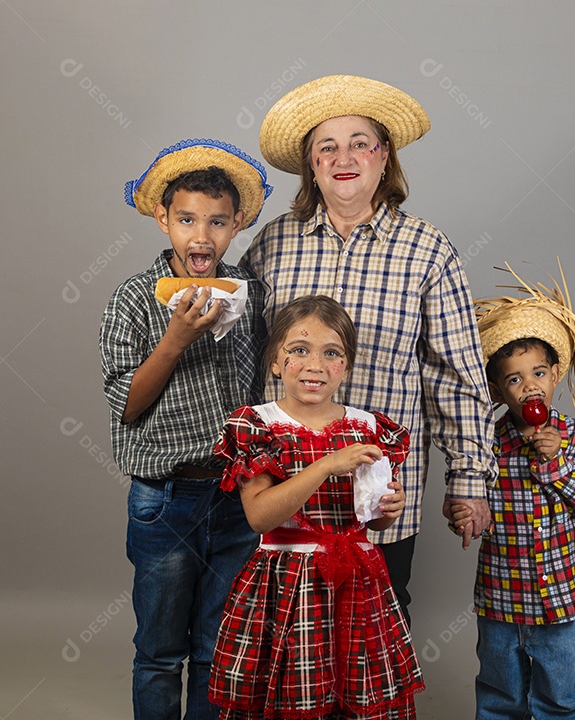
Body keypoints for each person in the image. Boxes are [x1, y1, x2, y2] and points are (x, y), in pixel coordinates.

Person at [244, 74, 497, 620]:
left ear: (386, 158)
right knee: (284, 618)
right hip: (283, 484)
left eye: (361, 142)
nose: (345, 157)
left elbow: (456, 376)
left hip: (375, 490)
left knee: (374, 618)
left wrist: (469, 479)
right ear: (311, 165)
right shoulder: (272, 242)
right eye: (327, 146)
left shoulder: (427, 249)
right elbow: (240, 353)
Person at [100, 138, 273, 720]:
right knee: (159, 650)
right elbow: (125, 403)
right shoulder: (132, 299)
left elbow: (258, 397)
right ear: (162, 220)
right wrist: (175, 339)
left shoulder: (251, 296)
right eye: (187, 220)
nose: (202, 237)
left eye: (218, 223)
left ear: (237, 224)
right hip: (166, 498)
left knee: (217, 648)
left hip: (235, 498)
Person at [208, 294, 424, 720]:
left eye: (332, 353)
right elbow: (260, 516)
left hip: (357, 581)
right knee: (293, 688)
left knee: (359, 686)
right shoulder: (258, 424)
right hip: (287, 578)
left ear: (346, 365)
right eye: (299, 350)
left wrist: (387, 509)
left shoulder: (366, 426)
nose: (315, 364)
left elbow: (372, 519)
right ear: (274, 362)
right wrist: (326, 465)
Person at [450, 265, 575, 720]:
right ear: (499, 389)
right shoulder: (488, 441)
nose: (529, 386)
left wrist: (555, 462)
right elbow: (471, 497)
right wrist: (462, 512)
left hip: (559, 599)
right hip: (500, 597)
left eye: (538, 373)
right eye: (515, 379)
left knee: (560, 694)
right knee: (500, 694)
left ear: (556, 373)